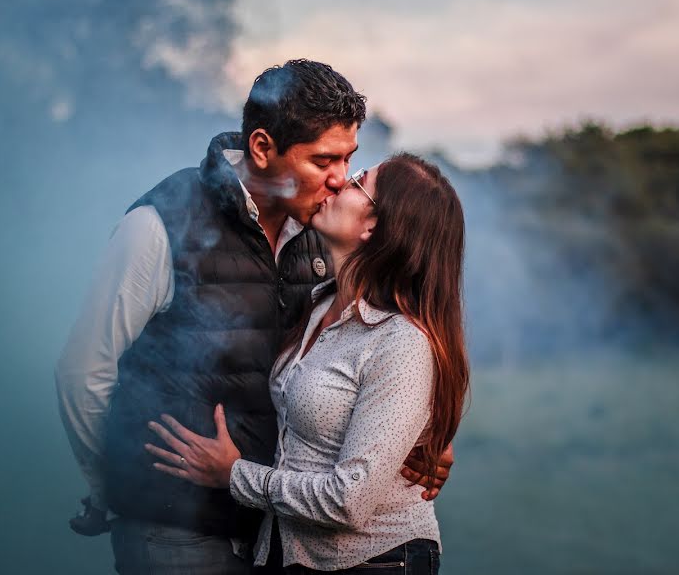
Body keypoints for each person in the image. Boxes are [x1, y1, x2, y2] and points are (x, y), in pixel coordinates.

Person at [55, 60, 453, 575]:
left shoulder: (322, 231)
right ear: (263, 148)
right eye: (323, 160)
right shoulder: (159, 226)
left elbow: (377, 348)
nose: (338, 180)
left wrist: (413, 435)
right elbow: (83, 371)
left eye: (349, 159)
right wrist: (119, 485)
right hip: (177, 530)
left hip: (277, 533)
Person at [146, 153, 469, 574]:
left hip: (373, 562)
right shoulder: (318, 303)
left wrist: (234, 475)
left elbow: (347, 501)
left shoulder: (401, 342)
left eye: (357, 180)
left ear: (373, 226)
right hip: (289, 554)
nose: (338, 184)